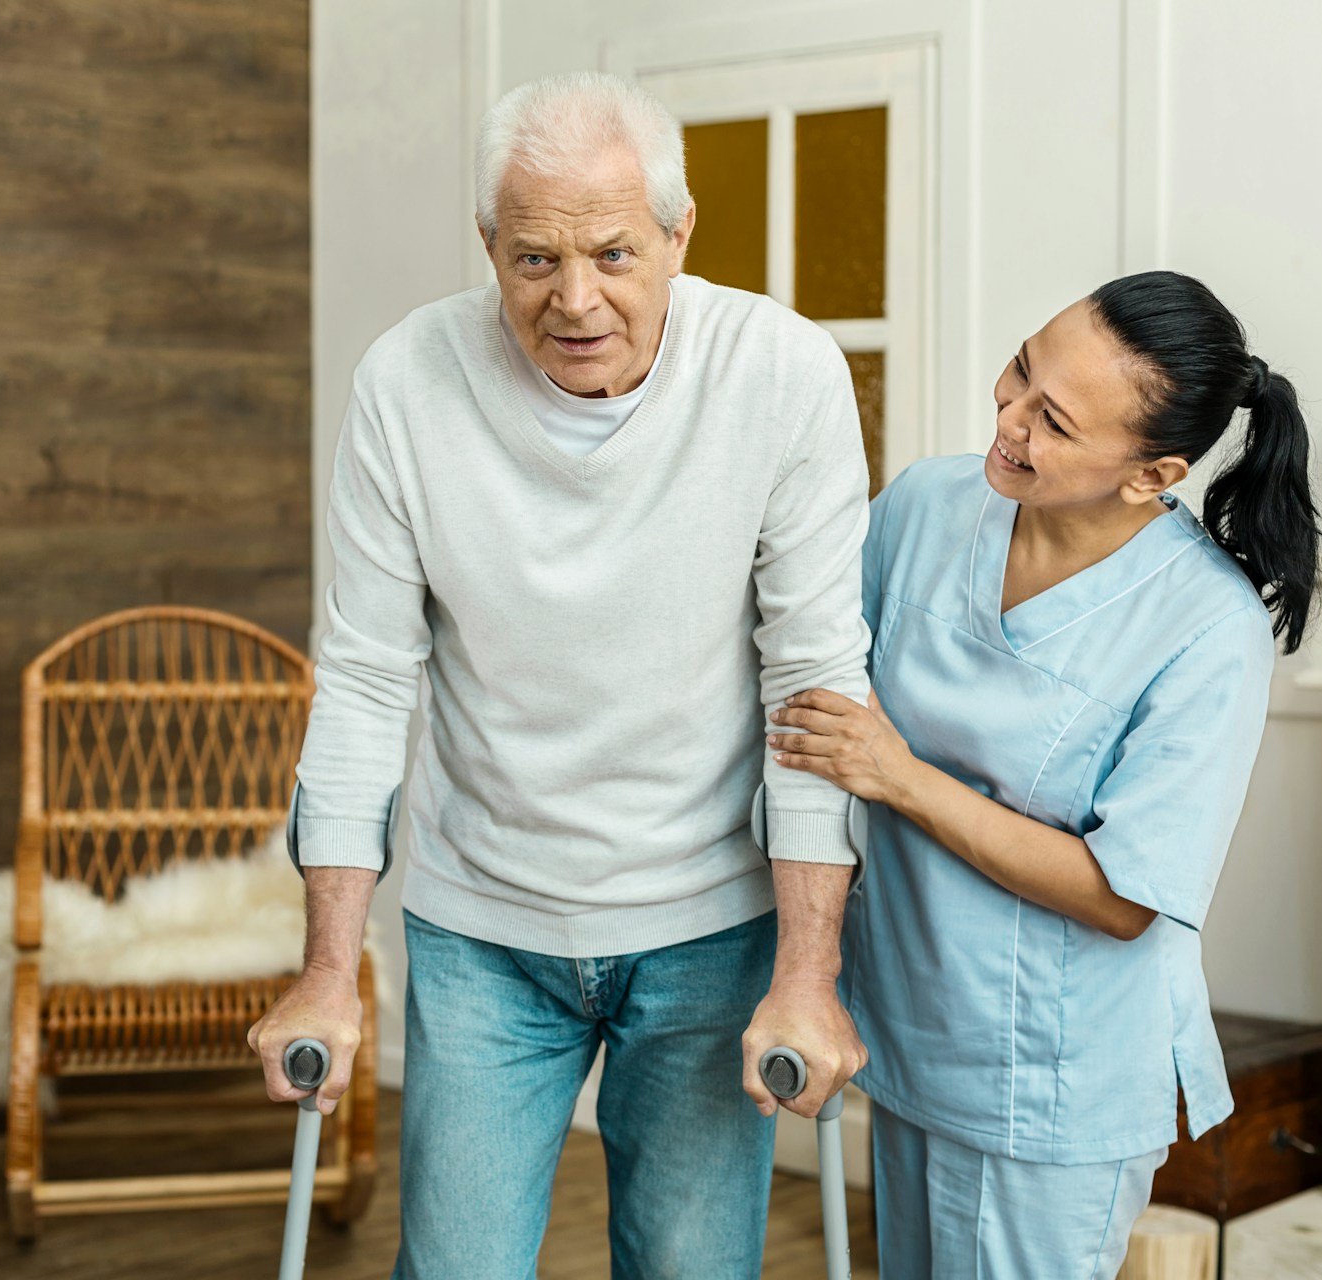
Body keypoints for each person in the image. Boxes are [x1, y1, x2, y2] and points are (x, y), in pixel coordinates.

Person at [246, 71, 873, 1279]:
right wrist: (330, 968)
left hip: (706, 919)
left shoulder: (781, 375)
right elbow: (369, 680)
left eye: (614, 254)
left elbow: (814, 689)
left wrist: (807, 972)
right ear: (488, 243)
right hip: (485, 918)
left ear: (680, 235)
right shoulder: (406, 382)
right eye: (533, 259)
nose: (575, 300)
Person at [768, 270, 1322, 1278]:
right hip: (906, 1021)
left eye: (1054, 421)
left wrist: (902, 774)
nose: (1010, 416)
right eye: (1021, 367)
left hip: (1054, 1082)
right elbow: (815, 686)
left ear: (1151, 475)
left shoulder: (1207, 627)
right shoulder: (931, 507)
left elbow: (1125, 897)